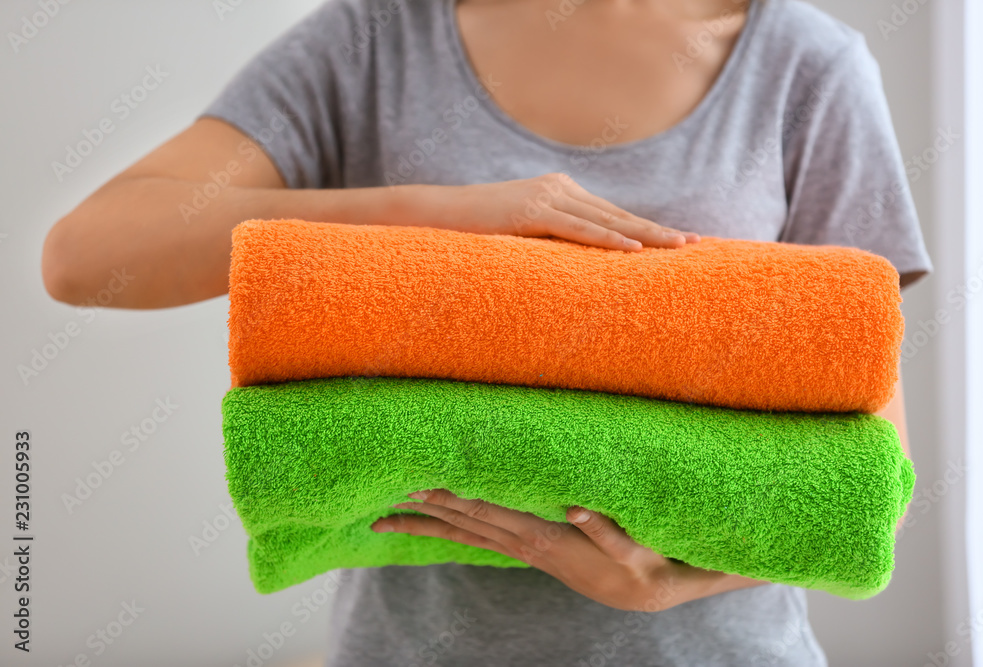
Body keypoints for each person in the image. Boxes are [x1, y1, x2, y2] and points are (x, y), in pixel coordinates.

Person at [41, 0, 933, 664]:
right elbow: (84, 256)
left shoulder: (805, 65)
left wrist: (675, 582)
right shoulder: (377, 41)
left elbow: (865, 473)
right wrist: (443, 214)